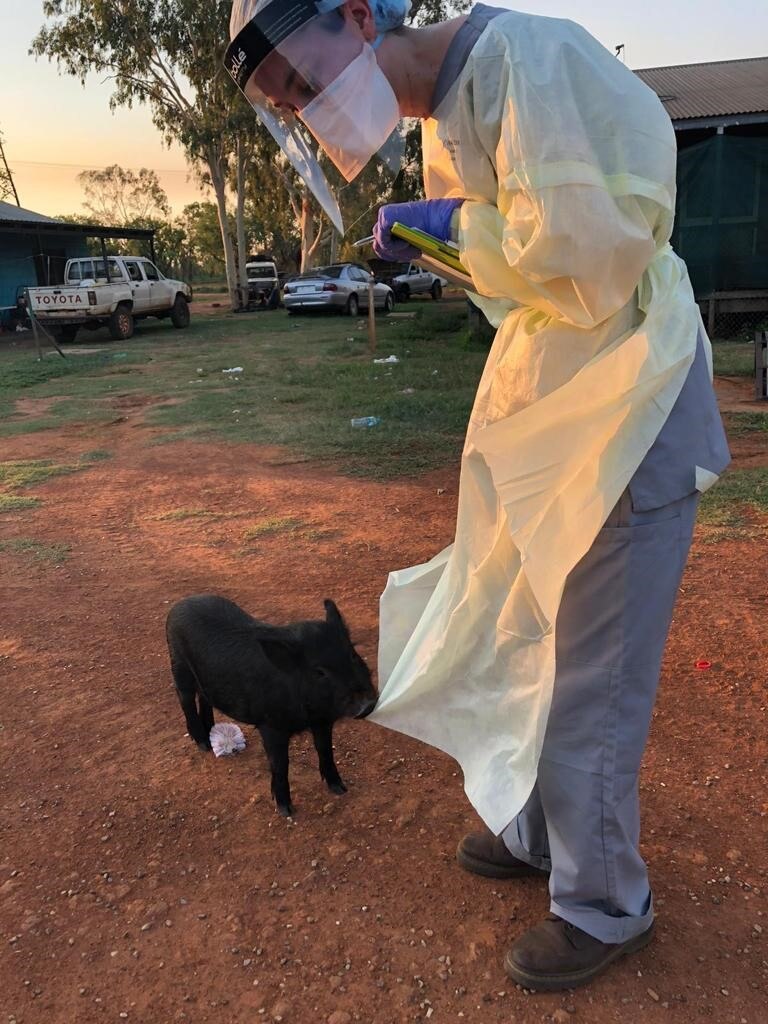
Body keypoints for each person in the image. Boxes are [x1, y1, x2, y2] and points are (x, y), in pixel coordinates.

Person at [225, 0, 730, 991]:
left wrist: (455, 228)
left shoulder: (524, 62)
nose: (307, 110)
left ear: (359, 16)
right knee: (537, 635)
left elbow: (589, 254)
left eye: (297, 77)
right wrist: (448, 243)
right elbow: (519, 284)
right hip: (568, 414)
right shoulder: (449, 121)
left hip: (630, 408)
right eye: (283, 105)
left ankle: (603, 904)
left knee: (596, 676)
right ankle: (544, 834)